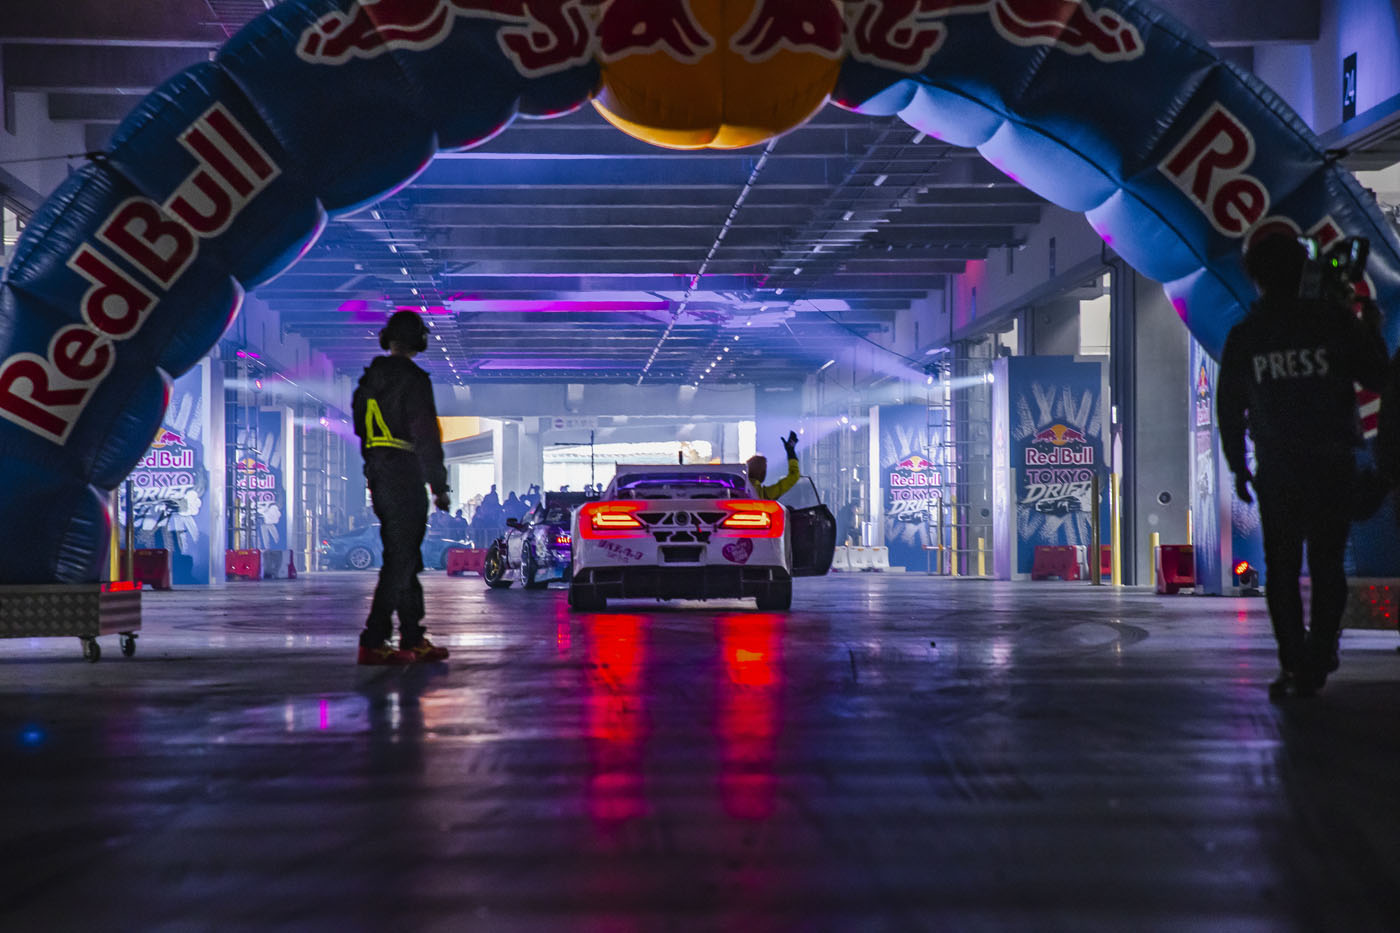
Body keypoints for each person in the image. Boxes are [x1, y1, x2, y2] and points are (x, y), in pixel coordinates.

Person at [1218, 233, 1388, 698]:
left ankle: (1294, 661)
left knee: (1282, 569)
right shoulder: (1333, 323)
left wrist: (1239, 466)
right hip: (1332, 464)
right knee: (1328, 565)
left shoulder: (1246, 336)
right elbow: (1378, 376)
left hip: (1279, 469)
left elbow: (1229, 407)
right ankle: (1320, 652)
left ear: (1256, 278)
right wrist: (1371, 326)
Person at [352, 310, 452, 665]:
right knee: (400, 559)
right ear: (418, 341)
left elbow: (362, 431)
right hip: (405, 473)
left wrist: (375, 468)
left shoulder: (367, 383)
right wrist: (438, 485)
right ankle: (374, 639)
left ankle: (412, 636)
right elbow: (426, 434)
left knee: (405, 555)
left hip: (378, 475)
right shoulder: (414, 380)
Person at [747, 431, 802, 500]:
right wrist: (791, 452)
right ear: (762, 473)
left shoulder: (735, 488)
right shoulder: (764, 494)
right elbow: (794, 476)